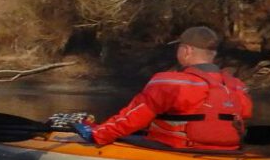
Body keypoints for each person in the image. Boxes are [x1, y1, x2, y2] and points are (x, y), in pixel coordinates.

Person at [75, 25, 252, 150]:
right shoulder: (236, 86)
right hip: (228, 150)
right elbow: (244, 115)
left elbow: (132, 118)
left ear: (187, 51)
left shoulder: (170, 83)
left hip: (179, 150)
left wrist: (98, 134)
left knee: (122, 134)